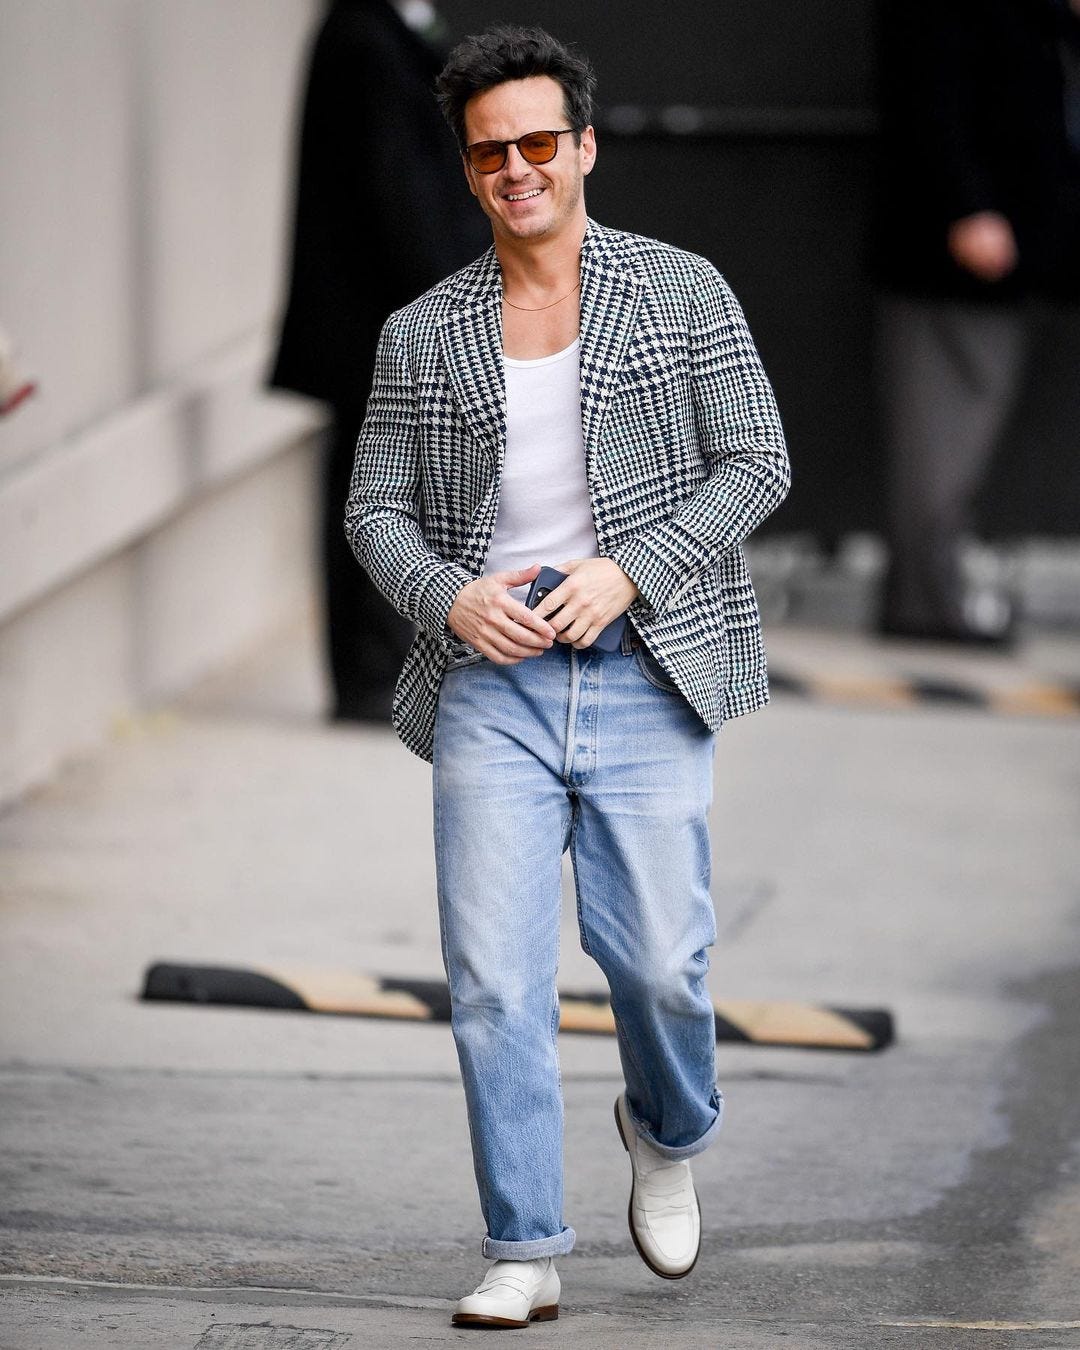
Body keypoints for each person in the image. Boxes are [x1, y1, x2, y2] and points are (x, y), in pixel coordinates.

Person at [345, 25, 789, 1329]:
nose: (518, 169)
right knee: (491, 977)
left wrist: (632, 568)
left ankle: (666, 1123)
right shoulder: (424, 333)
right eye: (493, 152)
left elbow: (756, 462)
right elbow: (375, 508)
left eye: (541, 143)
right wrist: (448, 595)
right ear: (470, 168)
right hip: (492, 679)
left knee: (658, 965)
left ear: (584, 146)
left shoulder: (682, 292)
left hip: (646, 664)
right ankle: (525, 1244)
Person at [269, 0, 488, 721]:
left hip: (378, 317)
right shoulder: (366, 34)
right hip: (375, 320)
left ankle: (383, 673)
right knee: (376, 497)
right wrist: (460, 298)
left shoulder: (385, 27)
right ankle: (371, 680)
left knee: (393, 493)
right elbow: (399, 190)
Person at [873, 0, 1080, 644]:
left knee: (957, 435)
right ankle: (928, 600)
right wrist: (969, 207)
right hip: (955, 262)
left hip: (1024, 254)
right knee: (942, 438)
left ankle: (933, 594)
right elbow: (927, 96)